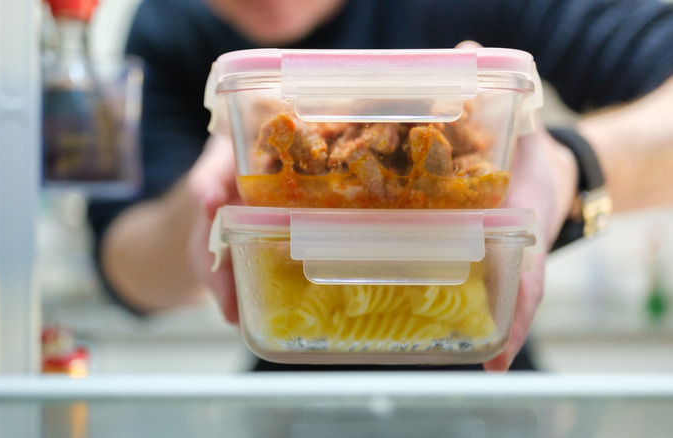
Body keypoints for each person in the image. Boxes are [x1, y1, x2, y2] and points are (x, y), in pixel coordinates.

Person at [88, 0, 673, 371]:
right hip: (293, 381)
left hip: (482, 382)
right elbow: (122, 262)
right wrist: (211, 205)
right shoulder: (167, 22)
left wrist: (572, 165)